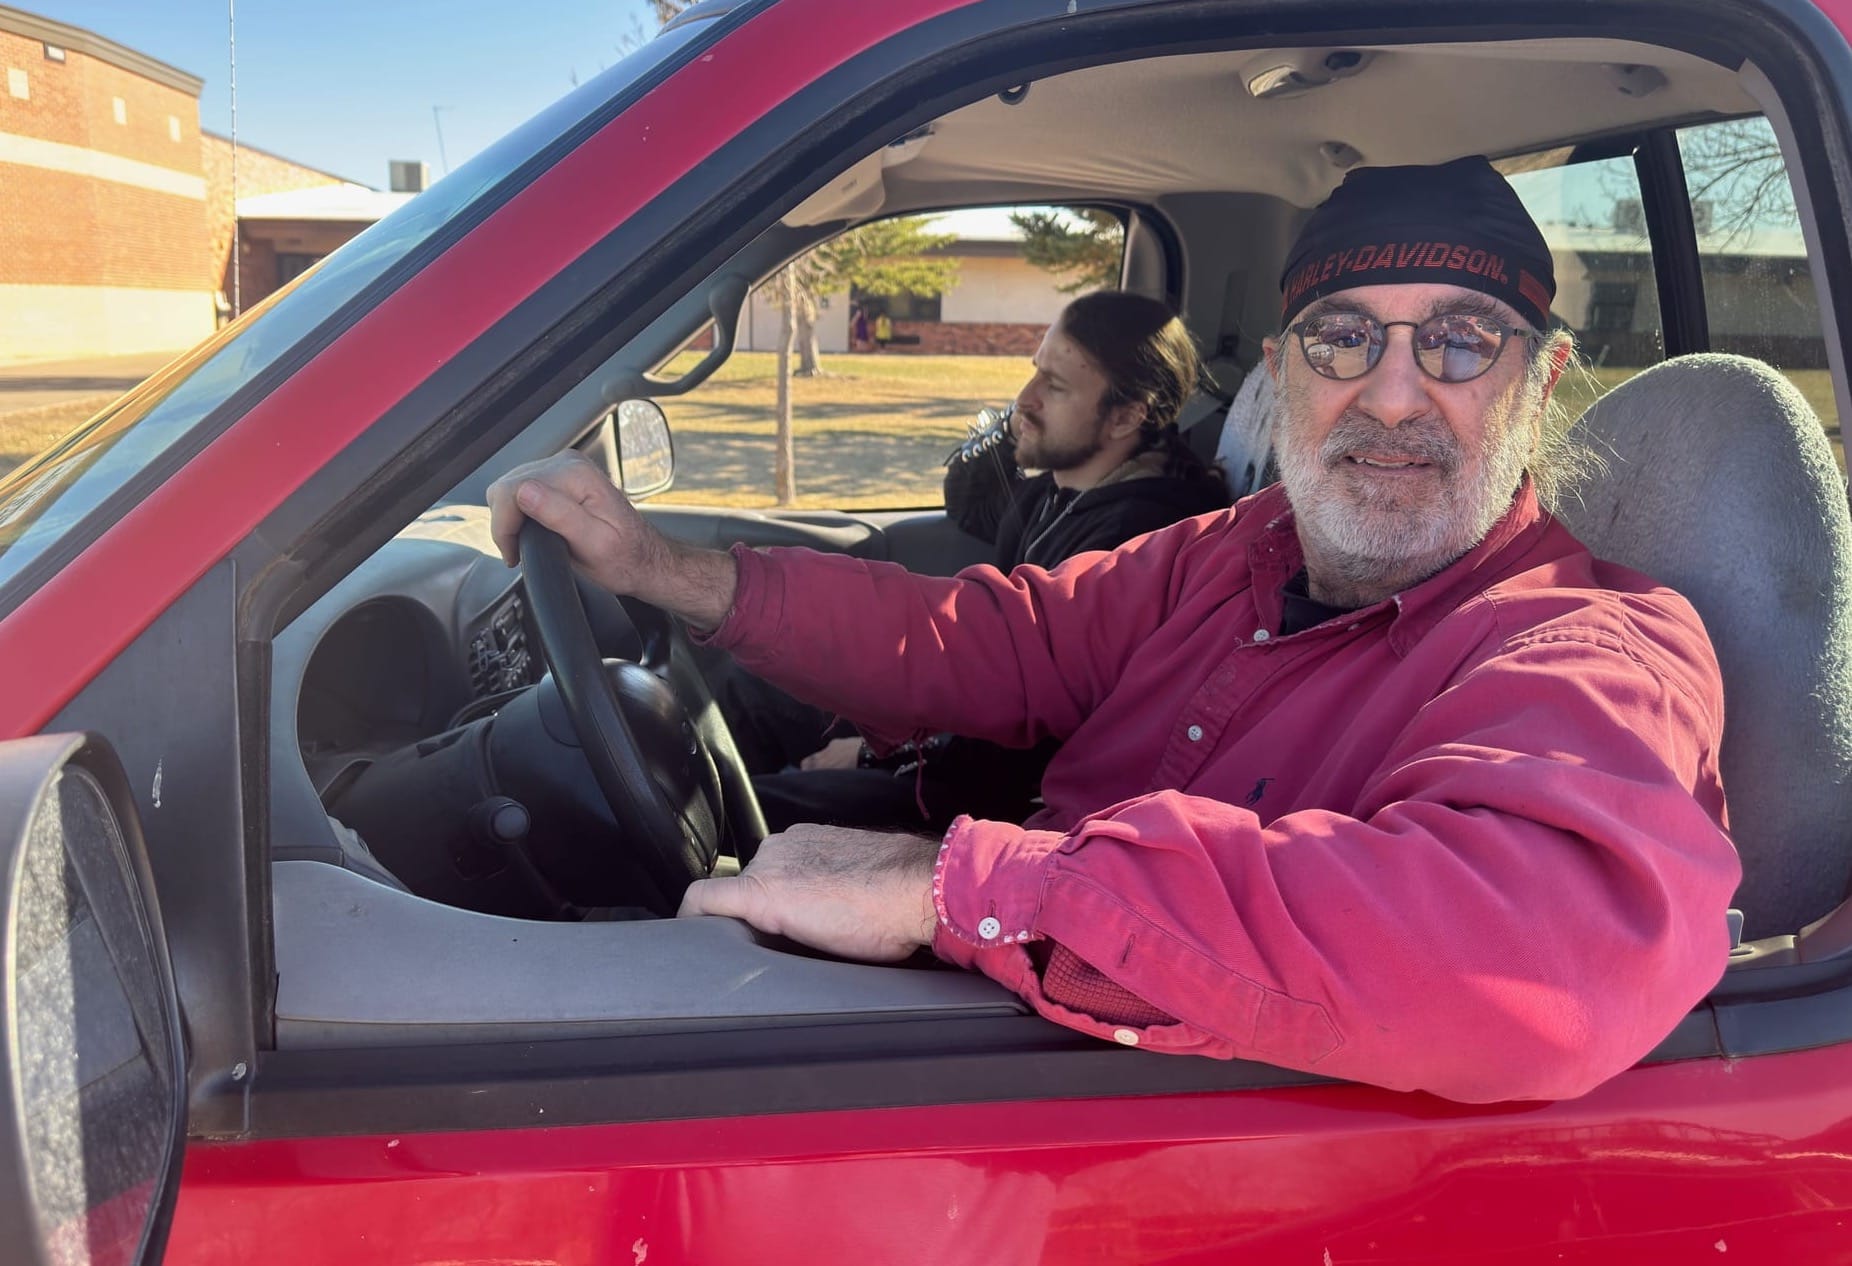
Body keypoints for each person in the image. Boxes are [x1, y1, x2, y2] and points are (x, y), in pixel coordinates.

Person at [488, 157, 1740, 1104]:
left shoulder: (1586, 641)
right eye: (1343, 338)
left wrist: (956, 888)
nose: (1394, 393)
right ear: (1284, 378)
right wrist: (661, 569)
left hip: (1146, 1108)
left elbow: (1530, 944)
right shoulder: (1233, 550)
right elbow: (985, 642)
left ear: (1542, 376)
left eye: (1461, 342)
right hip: (1020, 1017)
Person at [750, 291, 1231, 832]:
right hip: (964, 730)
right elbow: (968, 499)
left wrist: (872, 753)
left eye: (1054, 386)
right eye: (1034, 372)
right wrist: (1019, 426)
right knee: (755, 688)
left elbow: (1034, 735)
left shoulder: (1136, 540)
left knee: (747, 810)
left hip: (995, 793)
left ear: (1125, 416)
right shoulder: (1055, 491)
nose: (1024, 397)